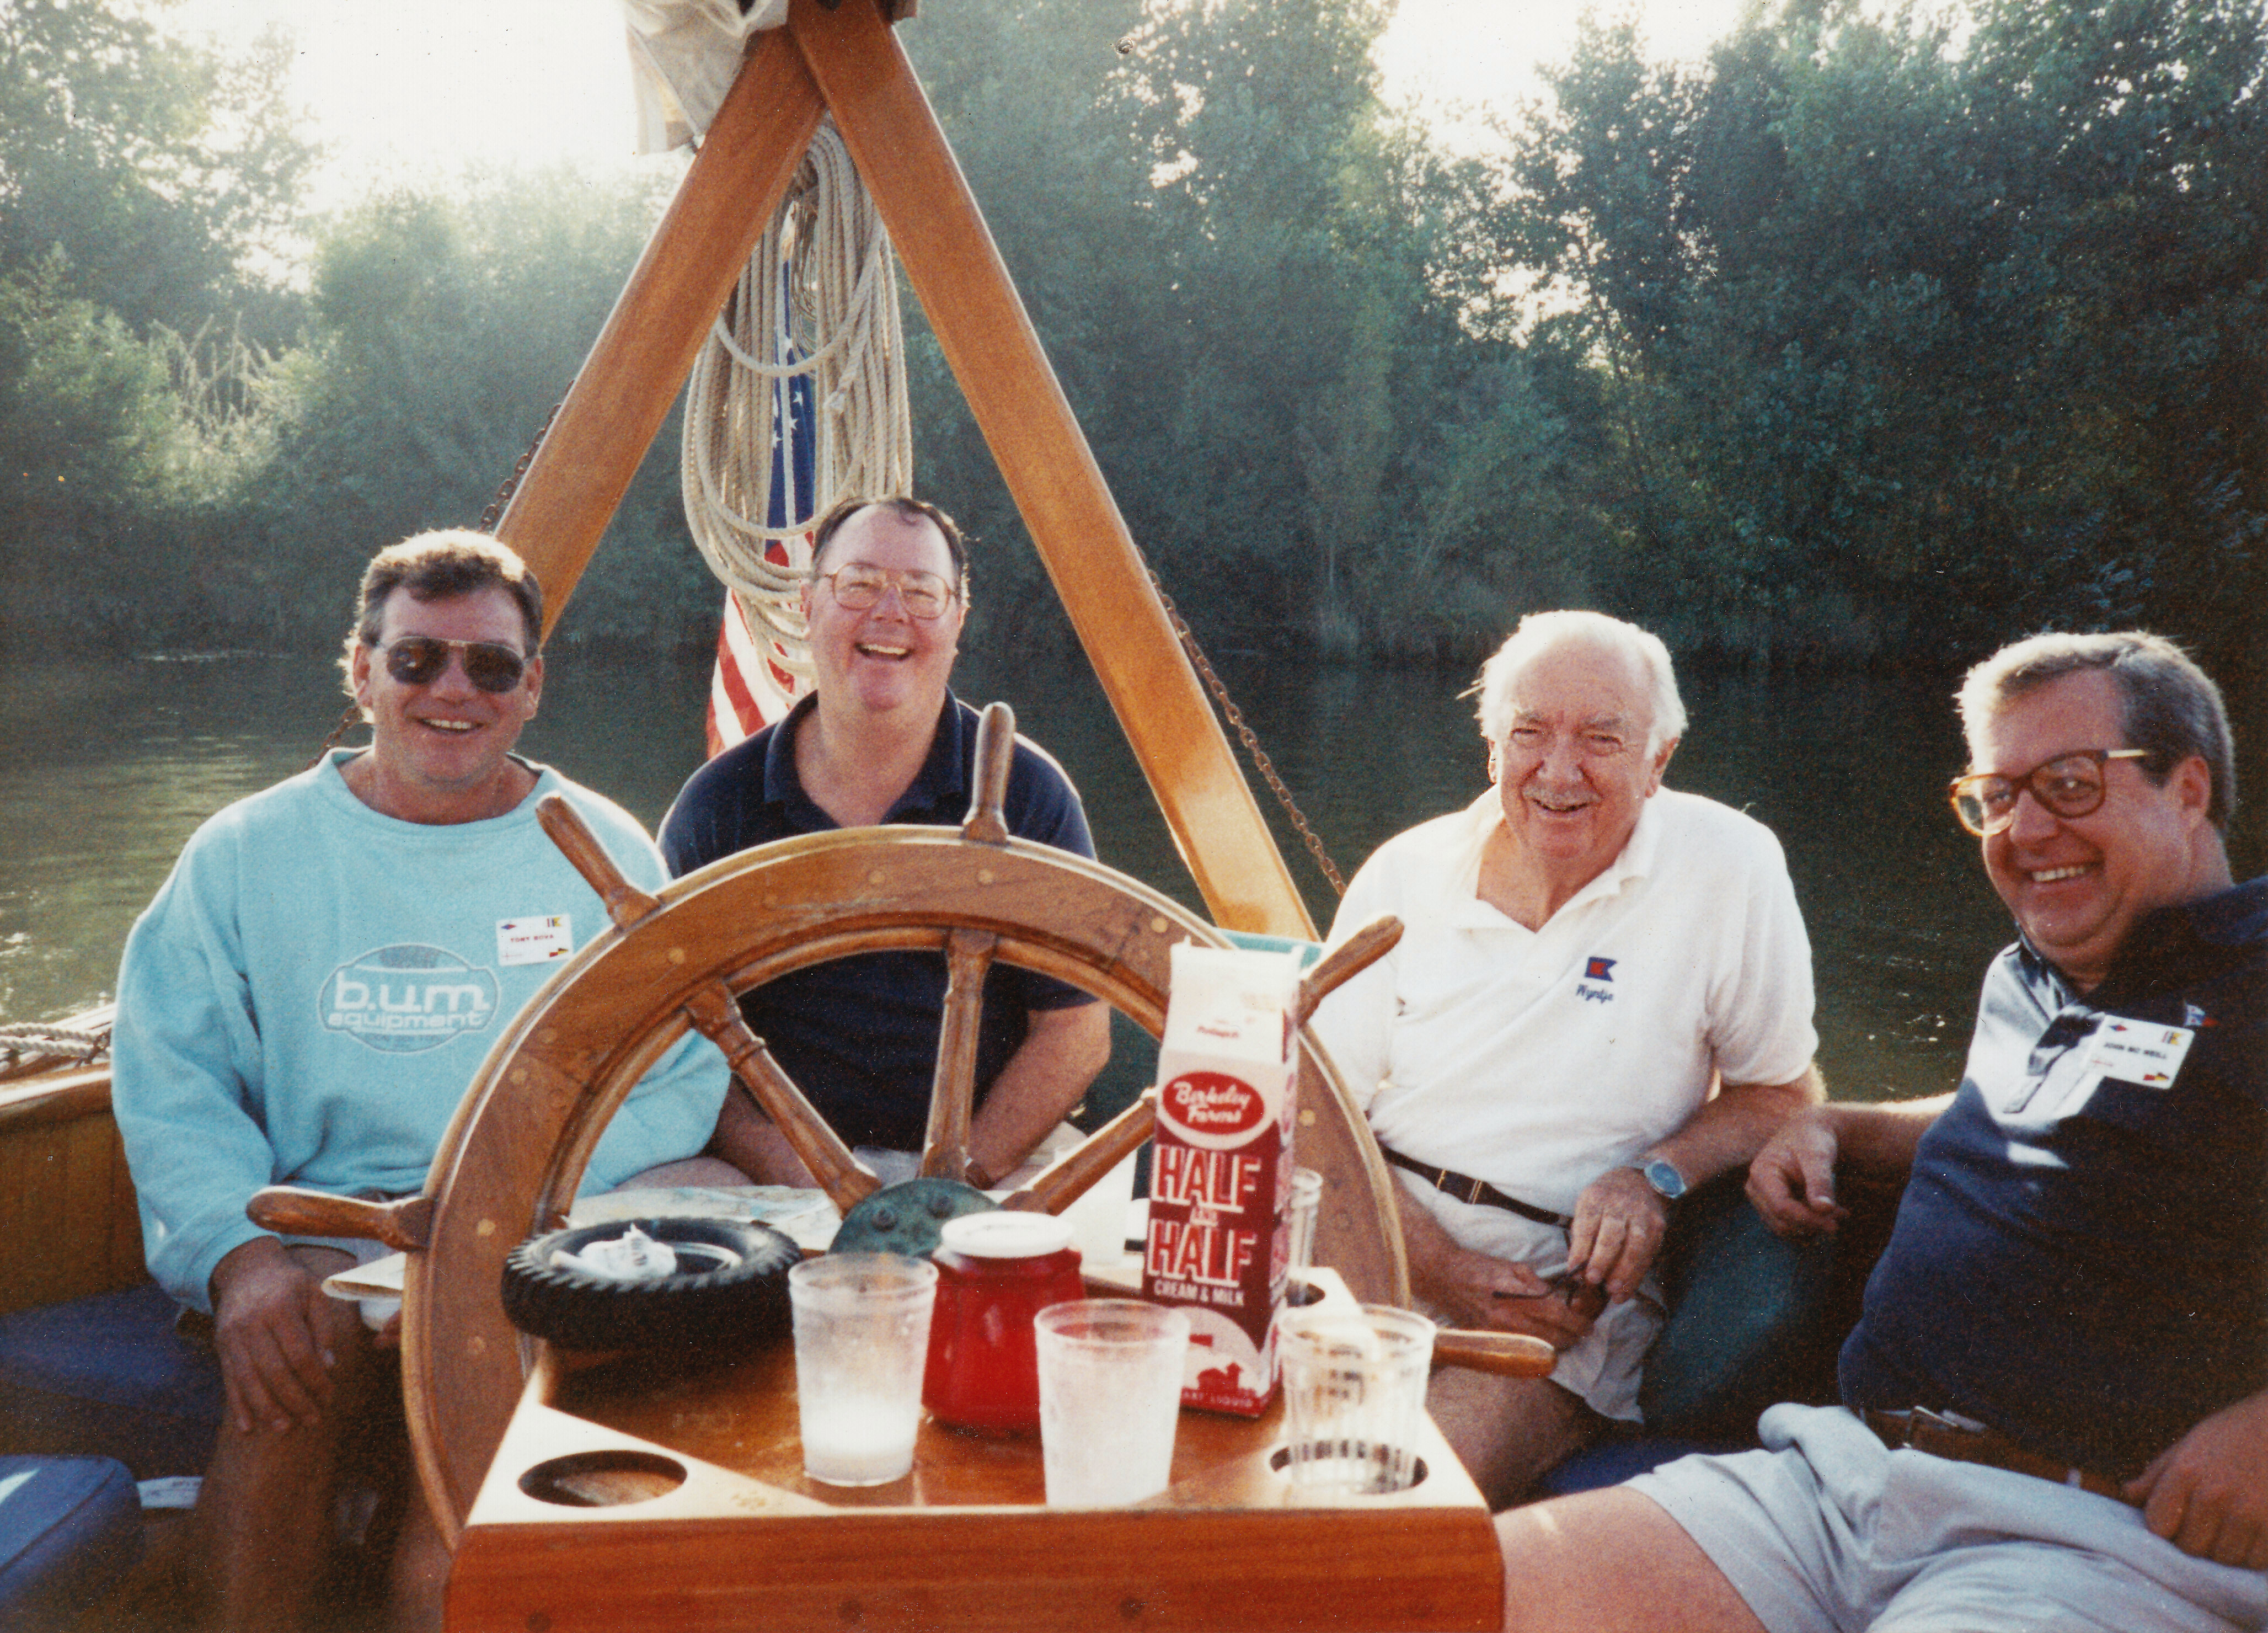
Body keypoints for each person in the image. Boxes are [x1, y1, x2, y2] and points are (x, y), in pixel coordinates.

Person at [1496, 630, 2267, 1633]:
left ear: (2188, 788)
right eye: (1996, 795)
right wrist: (1833, 1123)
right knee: (1429, 1594)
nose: (2026, 829)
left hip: (2087, 1542)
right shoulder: (2033, 973)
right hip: (1840, 1484)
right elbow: (2017, 1114)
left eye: (2070, 784)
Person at [110, 531, 733, 1633]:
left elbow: (678, 1080)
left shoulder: (607, 849)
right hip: (322, 1232)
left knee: (487, 1378)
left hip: (533, 1227)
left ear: (531, 686)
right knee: (287, 1361)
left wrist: (496, 1222)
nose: (454, 691)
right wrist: (240, 1260)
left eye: (491, 665)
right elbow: (175, 1083)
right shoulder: (242, 852)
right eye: (416, 660)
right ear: (360, 672)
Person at [1311, 609, 1823, 1506]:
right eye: (1529, 734)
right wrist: (1438, 1267)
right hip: (1365, 1235)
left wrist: (1651, 1179)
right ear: (1490, 747)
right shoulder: (1405, 871)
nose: (1558, 771)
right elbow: (1314, 1111)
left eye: (1600, 739)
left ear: (1658, 759)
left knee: (1381, 1501)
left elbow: (1780, 1093)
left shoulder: (1728, 868)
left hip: (1554, 1306)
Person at [660, 495, 1109, 1188]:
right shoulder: (718, 805)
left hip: (990, 1162)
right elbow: (676, 1046)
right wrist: (811, 1178)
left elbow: (1074, 1033)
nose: (889, 612)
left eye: (922, 591)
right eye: (859, 584)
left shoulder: (1031, 793)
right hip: (770, 1172)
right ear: (808, 605)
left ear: (958, 622)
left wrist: (952, 1184)